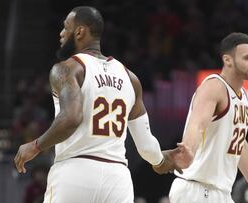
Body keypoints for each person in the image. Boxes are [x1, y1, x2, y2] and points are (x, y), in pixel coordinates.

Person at [14, 6, 186, 203]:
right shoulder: (130, 78)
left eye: (66, 27)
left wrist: (35, 146)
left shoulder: (68, 69)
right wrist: (160, 161)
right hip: (117, 179)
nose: (61, 33)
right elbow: (146, 145)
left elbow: (71, 118)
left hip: (75, 171)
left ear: (80, 32)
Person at [168, 32, 248, 203]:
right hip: (196, 189)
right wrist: (188, 149)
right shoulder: (214, 86)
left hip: (221, 192)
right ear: (227, 60)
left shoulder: (243, 96)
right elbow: (197, 125)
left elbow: (239, 144)